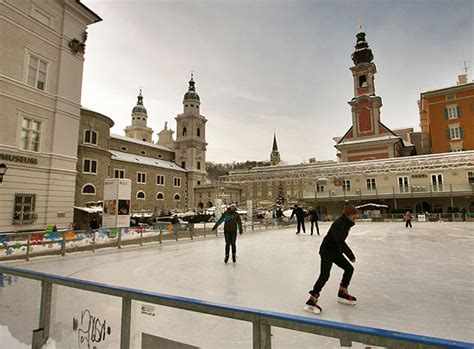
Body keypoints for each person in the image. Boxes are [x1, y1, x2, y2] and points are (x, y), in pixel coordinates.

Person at [304, 205, 358, 314]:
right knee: (325, 275)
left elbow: (339, 242)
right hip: (327, 251)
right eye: (354, 214)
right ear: (348, 215)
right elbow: (339, 240)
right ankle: (312, 298)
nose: (356, 216)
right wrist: (350, 255)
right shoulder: (339, 223)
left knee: (349, 269)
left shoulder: (347, 223)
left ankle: (342, 292)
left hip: (336, 251)